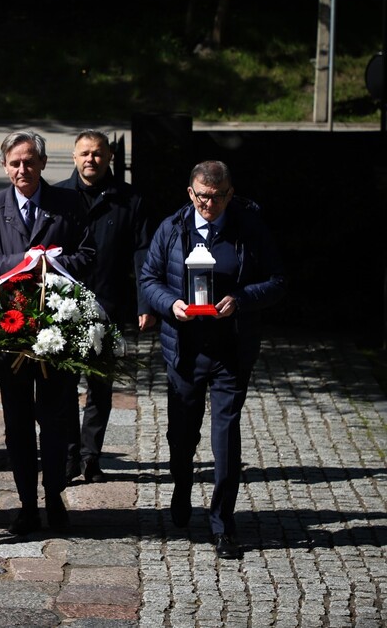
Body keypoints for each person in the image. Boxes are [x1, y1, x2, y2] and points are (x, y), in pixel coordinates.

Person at [139, 160, 286, 560]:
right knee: (181, 436)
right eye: (202, 196)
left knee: (226, 439)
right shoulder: (172, 228)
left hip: (231, 350)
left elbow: (276, 281)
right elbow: (148, 278)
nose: (209, 204)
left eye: (217, 197)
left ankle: (223, 524)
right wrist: (172, 305)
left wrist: (240, 300)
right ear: (190, 193)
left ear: (229, 194)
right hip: (184, 349)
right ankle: (183, 484)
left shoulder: (249, 228)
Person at [0, 131, 94, 535]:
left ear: (43, 164)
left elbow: (88, 255)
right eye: (15, 163)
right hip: (10, 331)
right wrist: (25, 262)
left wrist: (55, 265)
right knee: (18, 423)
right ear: (5, 167)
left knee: (57, 419)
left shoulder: (68, 203)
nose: (22, 170)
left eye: (29, 162)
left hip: (57, 328)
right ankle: (27, 501)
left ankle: (55, 494)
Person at [54, 130, 156, 484]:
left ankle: (90, 456)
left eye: (97, 154)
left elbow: (143, 254)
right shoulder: (58, 196)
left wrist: (146, 303)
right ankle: (67, 455)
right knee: (63, 387)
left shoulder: (129, 200)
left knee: (100, 387)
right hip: (62, 307)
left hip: (110, 303)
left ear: (110, 157)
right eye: (84, 153)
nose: (90, 160)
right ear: (73, 156)